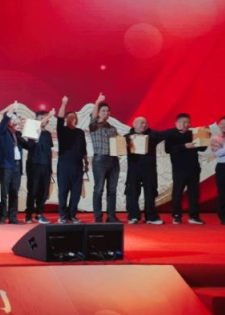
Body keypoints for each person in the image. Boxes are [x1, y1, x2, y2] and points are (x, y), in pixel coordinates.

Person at [161, 114, 205, 225]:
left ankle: (194, 216)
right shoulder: (171, 134)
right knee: (177, 192)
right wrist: (185, 146)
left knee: (194, 193)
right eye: (182, 122)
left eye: (187, 122)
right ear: (176, 123)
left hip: (194, 168)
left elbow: (203, 148)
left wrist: (205, 136)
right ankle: (176, 215)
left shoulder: (193, 134)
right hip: (179, 169)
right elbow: (168, 150)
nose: (185, 124)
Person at [124, 116, 167, 225]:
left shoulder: (153, 135)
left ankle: (151, 217)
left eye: (146, 123)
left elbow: (167, 134)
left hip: (149, 169)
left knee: (150, 192)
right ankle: (133, 216)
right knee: (132, 192)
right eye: (142, 123)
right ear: (134, 124)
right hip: (134, 169)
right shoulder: (127, 137)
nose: (144, 125)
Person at [88, 93, 122, 223]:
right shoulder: (94, 125)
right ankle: (98, 216)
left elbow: (118, 144)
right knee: (99, 189)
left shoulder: (113, 128)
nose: (105, 113)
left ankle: (111, 216)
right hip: (100, 160)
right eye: (103, 111)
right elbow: (93, 117)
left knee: (112, 189)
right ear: (98, 112)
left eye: (107, 111)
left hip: (113, 160)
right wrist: (97, 102)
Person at [56, 97, 88, 224]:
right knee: (63, 191)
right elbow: (59, 118)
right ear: (66, 120)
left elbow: (84, 148)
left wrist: (86, 163)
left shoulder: (80, 132)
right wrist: (63, 103)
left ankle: (72, 215)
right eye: (70, 117)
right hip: (64, 166)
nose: (73, 119)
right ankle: (63, 215)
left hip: (78, 166)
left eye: (75, 117)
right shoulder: (62, 130)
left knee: (76, 192)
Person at [20, 109, 55, 224]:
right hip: (34, 165)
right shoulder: (32, 129)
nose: (46, 120)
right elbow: (30, 145)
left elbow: (49, 151)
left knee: (43, 192)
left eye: (47, 118)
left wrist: (50, 167)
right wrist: (49, 115)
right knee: (33, 190)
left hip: (46, 166)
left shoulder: (48, 134)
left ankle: (39, 214)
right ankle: (28, 214)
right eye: (43, 118)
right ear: (37, 120)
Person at [0, 103, 23, 225]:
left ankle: (13, 217)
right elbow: (3, 124)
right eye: (12, 118)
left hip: (17, 166)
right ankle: (2, 217)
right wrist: (10, 110)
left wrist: (34, 136)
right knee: (3, 193)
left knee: (14, 192)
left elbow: (28, 145)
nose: (14, 120)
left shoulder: (16, 133)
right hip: (5, 166)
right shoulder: (1, 130)